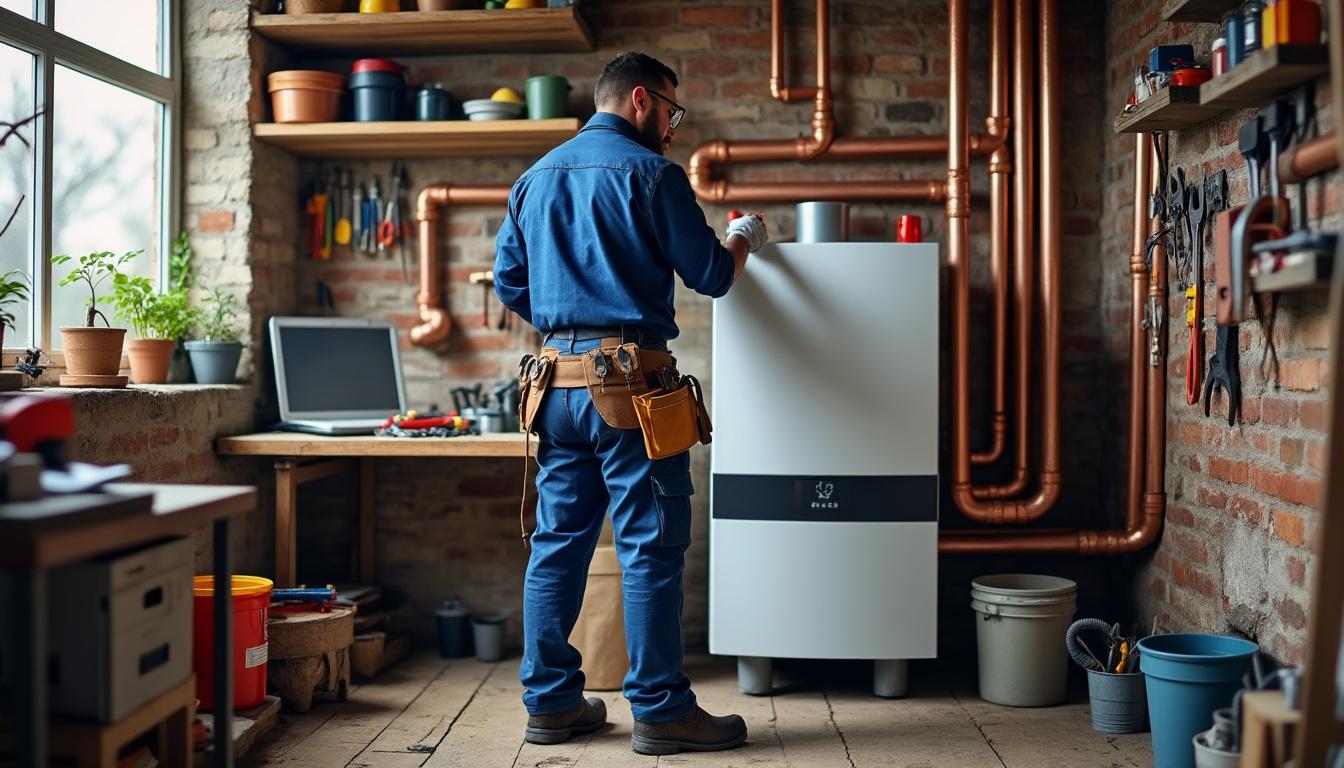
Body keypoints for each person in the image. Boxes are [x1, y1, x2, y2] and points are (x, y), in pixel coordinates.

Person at [494, 51, 769, 755]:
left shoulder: (533, 178)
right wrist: (742, 236)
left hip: (554, 385)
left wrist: (567, 323)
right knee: (650, 545)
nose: (673, 129)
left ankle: (551, 705)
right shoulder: (652, 174)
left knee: (557, 545)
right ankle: (660, 710)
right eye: (671, 112)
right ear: (641, 101)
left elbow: (509, 283)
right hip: (631, 389)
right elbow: (710, 275)